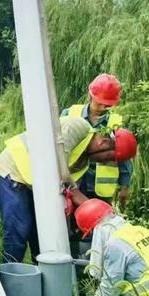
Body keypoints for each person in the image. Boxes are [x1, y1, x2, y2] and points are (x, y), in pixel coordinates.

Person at [0, 116, 138, 263]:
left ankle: (44, 277)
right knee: (19, 228)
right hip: (13, 170)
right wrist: (73, 193)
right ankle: (8, 277)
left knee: (42, 234)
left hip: (35, 182)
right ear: (104, 143)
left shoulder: (84, 161)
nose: (105, 162)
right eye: (108, 158)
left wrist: (103, 218)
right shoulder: (76, 127)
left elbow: (70, 192)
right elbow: (55, 165)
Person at [61, 73, 132, 207]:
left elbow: (123, 157)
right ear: (91, 96)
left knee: (99, 223)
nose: (102, 109)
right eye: (99, 104)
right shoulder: (70, 114)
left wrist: (125, 185)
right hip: (72, 182)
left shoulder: (115, 123)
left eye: (107, 106)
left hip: (101, 191)